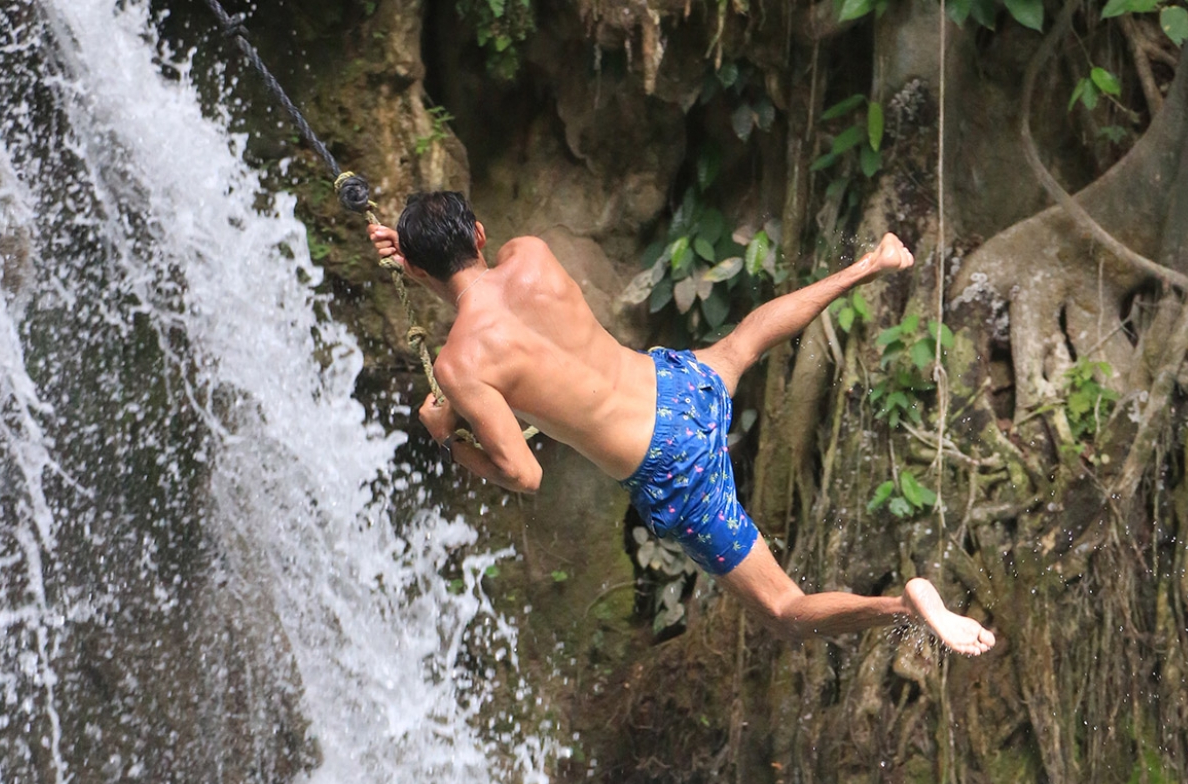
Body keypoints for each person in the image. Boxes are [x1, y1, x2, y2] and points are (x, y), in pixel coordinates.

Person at [369, 190, 995, 656]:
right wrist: (423, 254)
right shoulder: (526, 254)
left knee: (783, 609)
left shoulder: (460, 365)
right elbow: (486, 290)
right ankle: (869, 265)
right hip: (677, 385)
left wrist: (447, 440)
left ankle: (903, 605)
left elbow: (524, 474)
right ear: (479, 233)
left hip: (668, 466)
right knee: (742, 343)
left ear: (417, 272)